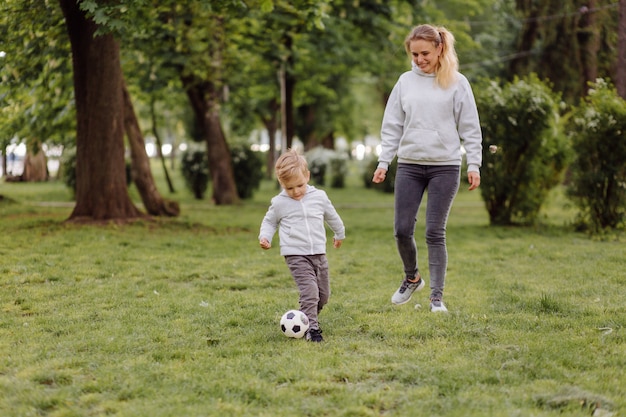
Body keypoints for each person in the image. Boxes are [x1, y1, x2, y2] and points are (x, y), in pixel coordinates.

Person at [372, 24, 482, 313]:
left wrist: (475, 164)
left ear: (439, 49)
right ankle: (412, 277)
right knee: (401, 229)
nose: (419, 60)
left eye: (425, 53)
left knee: (435, 231)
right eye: (414, 54)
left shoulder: (457, 83)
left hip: (444, 166)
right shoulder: (405, 82)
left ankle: (437, 298)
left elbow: (470, 127)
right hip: (409, 165)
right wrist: (384, 162)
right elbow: (392, 125)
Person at [259, 149, 345, 342]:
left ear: (307, 176)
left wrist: (340, 233)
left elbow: (331, 216)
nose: (296, 192)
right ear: (282, 184)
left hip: (319, 253)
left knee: (323, 296)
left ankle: (305, 317)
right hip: (295, 254)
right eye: (290, 188)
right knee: (310, 292)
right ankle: (311, 329)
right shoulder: (279, 202)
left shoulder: (319, 197)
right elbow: (270, 222)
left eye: (300, 185)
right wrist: (265, 237)